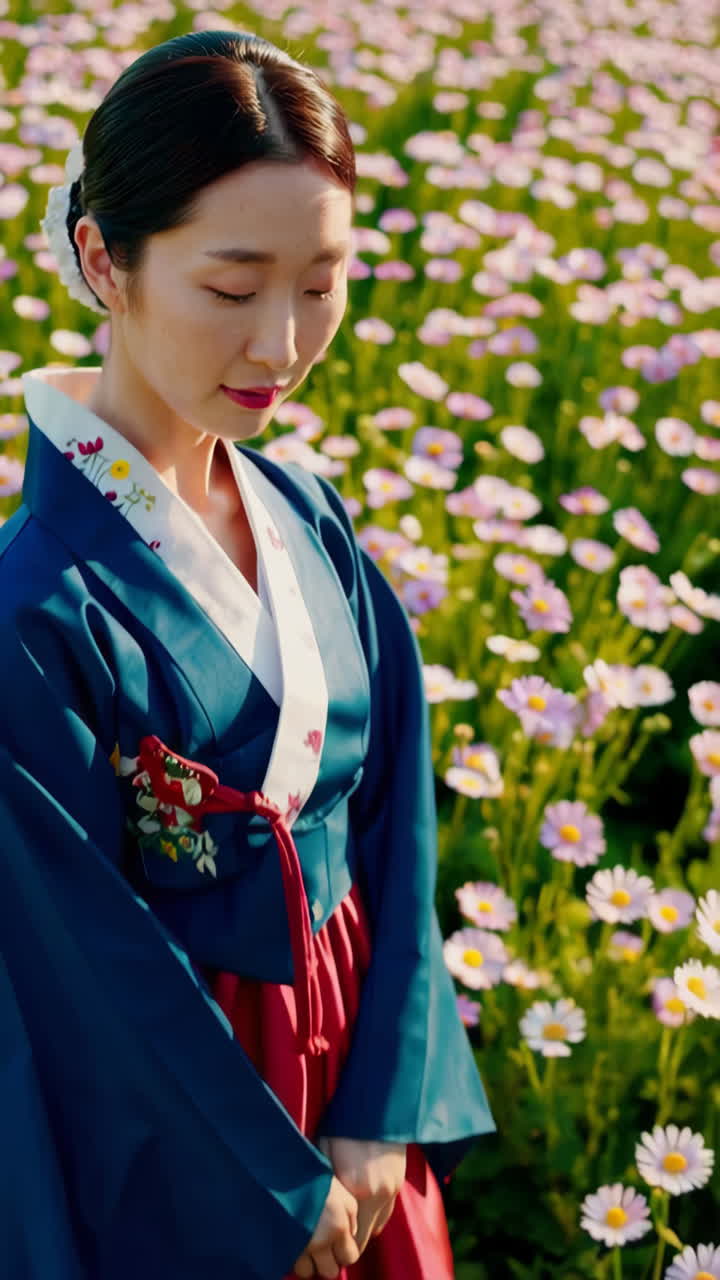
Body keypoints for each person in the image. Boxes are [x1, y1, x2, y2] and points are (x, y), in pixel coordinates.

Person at [0, 29, 496, 1280]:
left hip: (362, 1109)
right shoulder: (34, 607)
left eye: (322, 282)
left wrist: (386, 1110)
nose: (282, 343)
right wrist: (274, 1184)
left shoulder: (308, 516)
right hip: (190, 1136)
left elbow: (397, 830)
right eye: (233, 288)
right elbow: (81, 972)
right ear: (104, 259)